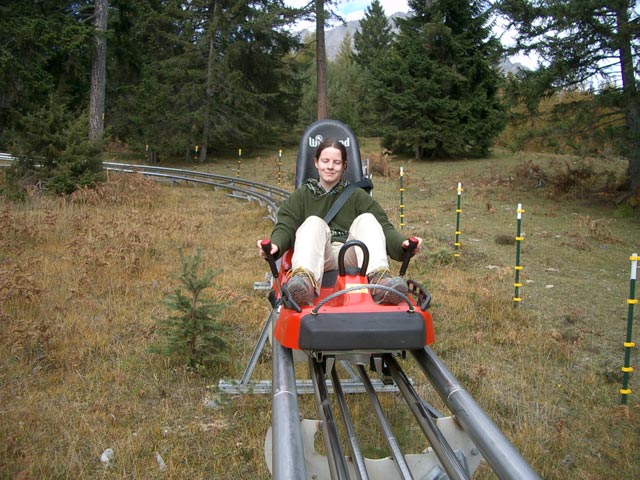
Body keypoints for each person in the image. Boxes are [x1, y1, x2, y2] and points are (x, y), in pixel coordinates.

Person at [257, 138, 423, 306]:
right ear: (316, 163)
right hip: (320, 254)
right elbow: (286, 224)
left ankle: (380, 281)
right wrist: (275, 245)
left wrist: (402, 244)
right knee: (313, 222)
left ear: (344, 166)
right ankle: (304, 283)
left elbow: (383, 226)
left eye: (336, 162)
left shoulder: (357, 196)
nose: (330, 166)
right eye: (325, 161)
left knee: (368, 219)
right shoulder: (302, 196)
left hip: (351, 253)